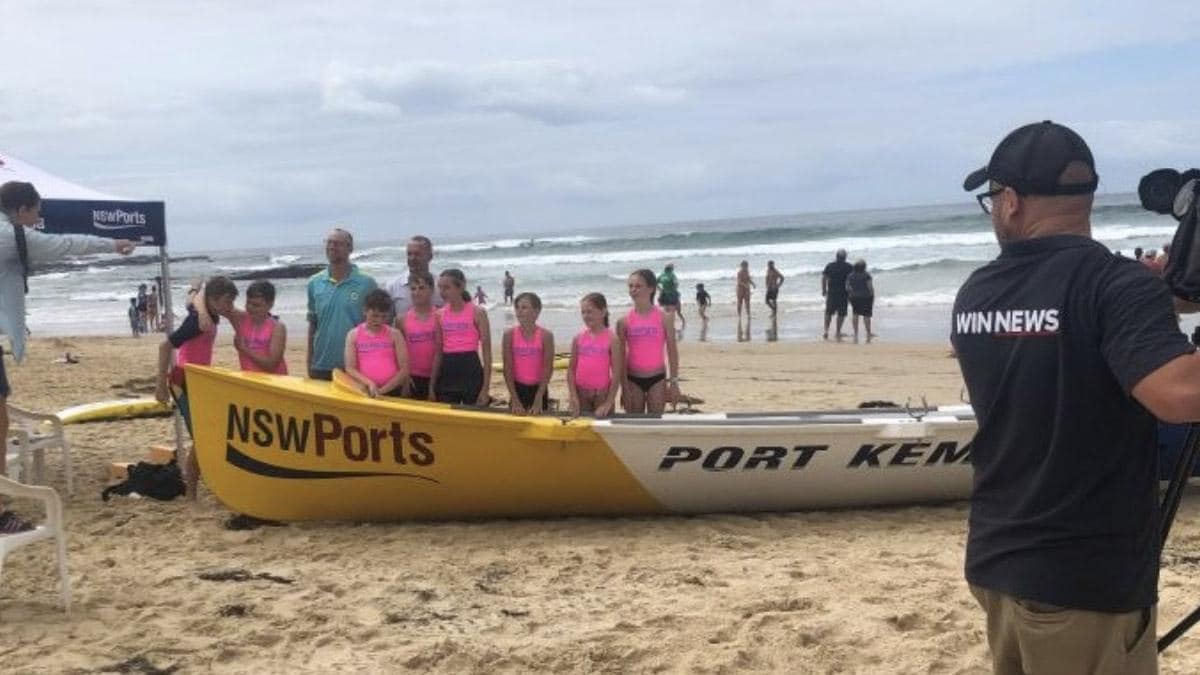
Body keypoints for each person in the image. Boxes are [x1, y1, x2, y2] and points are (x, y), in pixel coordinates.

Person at [954, 120, 1200, 674]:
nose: (994, 210)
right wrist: (1149, 294)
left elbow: (1064, 322)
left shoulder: (976, 293)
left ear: (1012, 202)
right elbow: (1180, 394)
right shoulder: (1112, 286)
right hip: (1083, 581)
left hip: (999, 563)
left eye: (991, 198)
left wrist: (1160, 291)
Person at [0, 181, 135, 532]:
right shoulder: (8, 236)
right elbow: (65, 245)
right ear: (21, 210)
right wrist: (113, 243)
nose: (38, 218)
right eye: (35, 212)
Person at [154, 276, 238, 499]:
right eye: (227, 302)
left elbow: (195, 296)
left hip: (199, 382)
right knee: (201, 438)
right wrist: (160, 384)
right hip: (183, 382)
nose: (230, 308)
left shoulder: (207, 312)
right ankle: (190, 493)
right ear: (214, 299)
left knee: (207, 435)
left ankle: (199, 485)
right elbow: (165, 347)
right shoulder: (197, 322)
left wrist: (194, 287)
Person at [306, 228, 376, 380]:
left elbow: (376, 325)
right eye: (329, 242)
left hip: (355, 367)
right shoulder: (314, 282)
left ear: (350, 248)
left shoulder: (367, 283)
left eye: (337, 243)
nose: (332, 246)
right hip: (321, 365)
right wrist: (309, 361)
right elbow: (313, 324)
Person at [617, 269, 680, 414]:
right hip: (632, 379)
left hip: (657, 379)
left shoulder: (665, 317)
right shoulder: (623, 322)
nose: (633, 290)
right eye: (630, 286)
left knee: (655, 424)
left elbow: (672, 351)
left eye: (638, 286)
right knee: (634, 426)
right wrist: (624, 388)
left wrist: (674, 382)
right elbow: (619, 358)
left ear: (651, 288)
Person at [430, 269, 492, 405]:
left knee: (474, 417)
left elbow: (487, 353)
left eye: (447, 287)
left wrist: (485, 388)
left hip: (471, 368)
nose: (442, 292)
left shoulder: (478, 312)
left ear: (461, 286)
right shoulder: (439, 315)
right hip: (448, 370)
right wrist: (431, 385)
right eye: (440, 287)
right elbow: (438, 352)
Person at [344, 289, 409, 398]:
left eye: (383, 316)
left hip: (392, 391)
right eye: (374, 315)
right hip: (364, 390)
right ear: (365, 311)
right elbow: (350, 368)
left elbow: (404, 369)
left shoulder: (395, 334)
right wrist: (369, 383)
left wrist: (382, 391)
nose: (378, 320)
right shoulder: (353, 335)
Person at [568, 293, 623, 417]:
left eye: (590, 311)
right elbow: (571, 370)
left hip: (602, 395)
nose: (586, 316)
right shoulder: (578, 338)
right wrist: (573, 395)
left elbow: (616, 374)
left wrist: (608, 403)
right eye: (583, 312)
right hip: (581, 393)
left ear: (603, 312)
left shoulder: (612, 339)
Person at [502, 292, 555, 415]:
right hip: (517, 389)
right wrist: (514, 398)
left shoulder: (546, 336)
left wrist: (539, 397)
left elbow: (548, 368)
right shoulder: (509, 335)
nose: (519, 311)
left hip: (539, 388)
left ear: (536, 311)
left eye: (524, 307)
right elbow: (507, 368)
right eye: (517, 307)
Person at [227, 280, 287, 374]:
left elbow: (271, 365)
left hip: (274, 381)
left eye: (256, 305)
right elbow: (220, 304)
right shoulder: (241, 319)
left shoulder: (277, 328)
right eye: (248, 303)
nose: (250, 308)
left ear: (270, 305)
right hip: (250, 380)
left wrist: (244, 349)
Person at [397, 271, 437, 400]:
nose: (416, 292)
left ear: (431, 290)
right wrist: (404, 379)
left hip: (437, 375)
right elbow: (399, 353)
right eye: (413, 288)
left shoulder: (440, 315)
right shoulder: (402, 319)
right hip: (412, 377)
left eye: (421, 288)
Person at [385, 235, 443, 319]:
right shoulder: (393, 286)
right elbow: (386, 320)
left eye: (417, 254)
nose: (412, 258)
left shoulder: (440, 285)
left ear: (430, 257)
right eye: (409, 254)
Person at [821, 249, 853, 341]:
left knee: (828, 312)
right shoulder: (849, 267)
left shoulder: (830, 266)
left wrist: (824, 290)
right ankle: (838, 331)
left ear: (836, 256)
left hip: (832, 292)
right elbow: (851, 280)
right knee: (841, 314)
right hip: (844, 293)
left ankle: (826, 331)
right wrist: (852, 292)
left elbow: (824, 278)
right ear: (845, 257)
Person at [846, 260, 875, 343]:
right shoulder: (866, 275)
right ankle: (868, 333)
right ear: (864, 267)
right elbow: (870, 287)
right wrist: (872, 295)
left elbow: (847, 287)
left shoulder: (850, 275)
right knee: (866, 315)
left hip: (854, 297)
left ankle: (855, 333)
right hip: (865, 297)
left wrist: (850, 294)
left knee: (855, 314)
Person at [657, 263, 686, 331]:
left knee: (667, 311)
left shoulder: (662, 275)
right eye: (672, 268)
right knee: (673, 311)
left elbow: (655, 282)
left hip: (664, 295)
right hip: (671, 295)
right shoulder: (672, 275)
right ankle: (671, 326)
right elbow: (676, 284)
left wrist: (660, 290)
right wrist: (674, 290)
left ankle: (666, 326)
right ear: (671, 269)